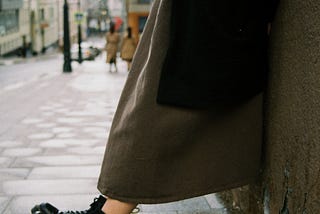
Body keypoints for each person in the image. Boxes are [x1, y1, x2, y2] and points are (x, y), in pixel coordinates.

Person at [32, 0, 279, 213]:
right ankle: (110, 207)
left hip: (211, 22)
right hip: (195, 20)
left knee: (150, 113)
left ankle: (111, 210)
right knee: (144, 105)